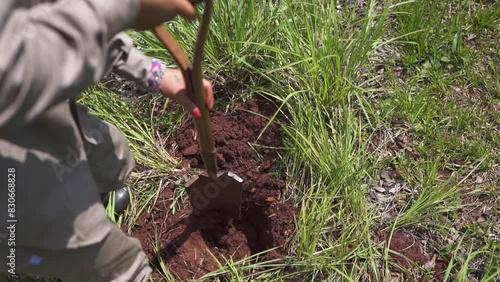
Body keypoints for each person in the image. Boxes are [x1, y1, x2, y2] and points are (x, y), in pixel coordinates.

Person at [0, 0, 214, 281]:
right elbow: (17, 69)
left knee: (110, 151)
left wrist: (154, 73)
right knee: (119, 267)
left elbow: (47, 18)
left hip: (32, 109)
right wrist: (122, 9)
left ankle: (97, 193)